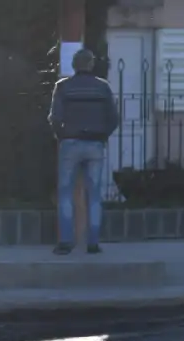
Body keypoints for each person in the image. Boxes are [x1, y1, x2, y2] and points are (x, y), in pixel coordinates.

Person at [48, 48, 119, 255]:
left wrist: (63, 135)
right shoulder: (102, 87)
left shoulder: (63, 87)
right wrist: (102, 135)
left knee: (65, 192)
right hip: (95, 144)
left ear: (74, 65)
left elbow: (54, 117)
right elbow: (113, 118)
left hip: (70, 142)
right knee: (94, 194)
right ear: (91, 65)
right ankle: (93, 243)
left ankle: (65, 242)